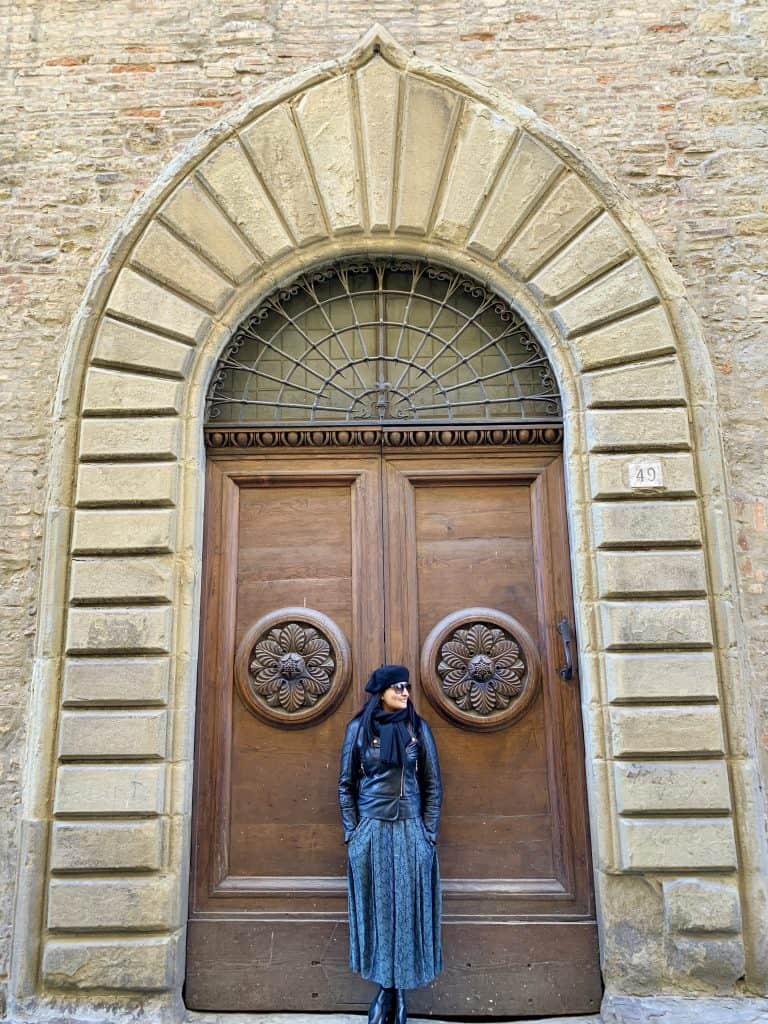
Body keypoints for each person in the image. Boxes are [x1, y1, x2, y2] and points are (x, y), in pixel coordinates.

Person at [338, 664, 443, 1024]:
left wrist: (428, 833)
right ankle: (385, 989)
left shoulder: (418, 729)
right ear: (380, 691)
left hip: (411, 830)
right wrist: (353, 833)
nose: (405, 693)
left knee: (407, 911)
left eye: (407, 687)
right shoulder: (359, 730)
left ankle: (397, 994)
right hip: (372, 831)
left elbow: (432, 784)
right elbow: (345, 784)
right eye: (397, 687)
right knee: (379, 911)